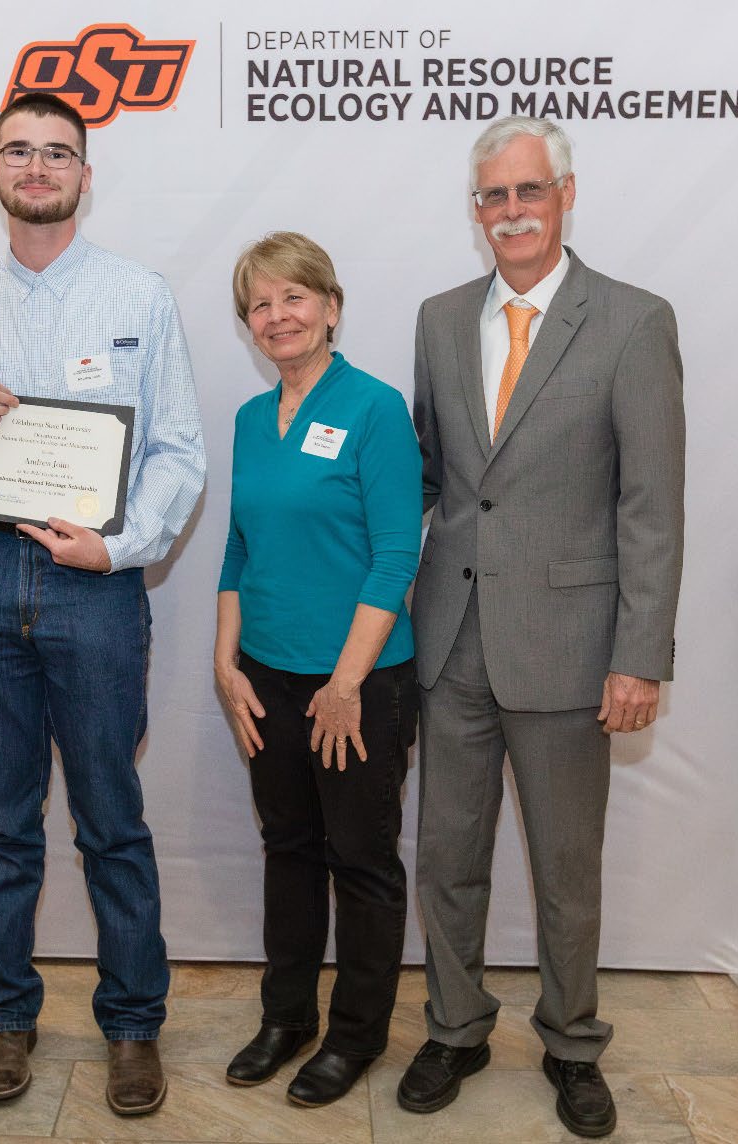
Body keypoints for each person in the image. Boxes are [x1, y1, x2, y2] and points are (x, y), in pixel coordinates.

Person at [399, 117, 685, 1138]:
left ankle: (571, 1042)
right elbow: (430, 476)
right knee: (447, 855)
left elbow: (650, 507)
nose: (511, 211)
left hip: (570, 646)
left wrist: (639, 656)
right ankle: (455, 1026)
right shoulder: (439, 319)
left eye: (528, 191)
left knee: (566, 867)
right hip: (451, 639)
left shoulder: (633, 321)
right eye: (493, 196)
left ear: (564, 195)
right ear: (474, 210)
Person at [0, 92, 205, 1117]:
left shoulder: (139, 293)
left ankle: (131, 1026)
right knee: (3, 821)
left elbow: (177, 448)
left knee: (110, 819)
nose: (36, 167)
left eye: (56, 152)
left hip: (97, 583)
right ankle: (4, 1018)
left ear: (85, 174)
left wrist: (117, 547)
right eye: (18, 151)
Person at [214, 232, 421, 1107]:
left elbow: (396, 555)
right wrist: (224, 660)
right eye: (259, 304)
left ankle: (356, 1035)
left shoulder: (374, 408)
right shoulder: (248, 419)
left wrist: (343, 685)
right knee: (288, 850)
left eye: (292, 297)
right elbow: (239, 546)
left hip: (359, 684)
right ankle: (286, 1016)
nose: (276, 316)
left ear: (330, 307)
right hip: (266, 676)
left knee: (361, 861)